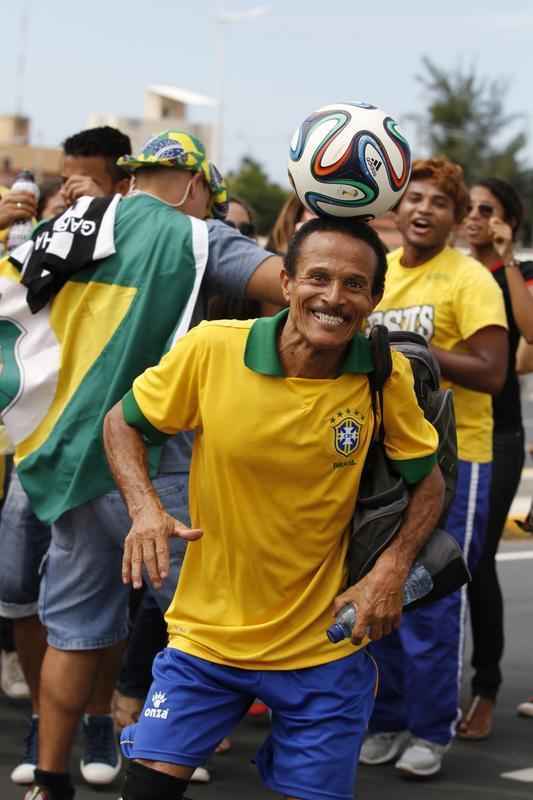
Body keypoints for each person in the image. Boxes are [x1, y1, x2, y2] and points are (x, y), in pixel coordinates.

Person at [102, 215, 445, 800]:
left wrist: (390, 570)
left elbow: (428, 485)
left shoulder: (385, 377)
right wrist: (145, 508)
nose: (334, 298)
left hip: (324, 652)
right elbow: (123, 422)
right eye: (318, 278)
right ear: (285, 283)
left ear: (374, 299)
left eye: (354, 285)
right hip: (205, 643)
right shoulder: (213, 348)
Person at [0, 129, 286, 800]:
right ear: (195, 187)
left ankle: (49, 779)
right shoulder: (197, 236)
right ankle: (181, 755)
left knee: (72, 632)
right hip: (156, 466)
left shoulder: (68, 226)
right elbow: (291, 282)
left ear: (133, 177)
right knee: (207, 621)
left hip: (69, 461)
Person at [363, 157, 508, 778]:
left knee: (430, 596)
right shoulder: (380, 271)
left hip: (456, 459)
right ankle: (386, 718)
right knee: (378, 589)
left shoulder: (468, 279)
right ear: (397, 208)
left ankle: (429, 729)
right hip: (382, 462)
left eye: (439, 202)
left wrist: (411, 351)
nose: (423, 209)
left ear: (455, 217)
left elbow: (493, 372)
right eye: (414, 198)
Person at [0, 126, 133, 789]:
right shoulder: (41, 241)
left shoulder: (138, 243)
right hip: (35, 444)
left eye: (89, 181)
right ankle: (44, 719)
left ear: (123, 185)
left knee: (102, 595)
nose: (72, 191)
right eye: (66, 178)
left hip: (103, 447)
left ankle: (98, 719)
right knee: (18, 590)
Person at [459, 178, 533, 739]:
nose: (475, 217)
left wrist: (506, 261)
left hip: (499, 434)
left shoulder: (517, 274)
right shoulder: (449, 270)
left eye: (487, 210)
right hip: (442, 432)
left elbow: (531, 334)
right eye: (469, 207)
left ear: (508, 221)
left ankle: (485, 689)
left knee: (478, 560)